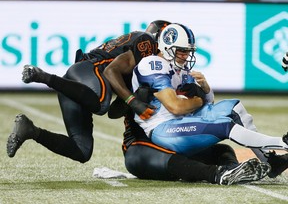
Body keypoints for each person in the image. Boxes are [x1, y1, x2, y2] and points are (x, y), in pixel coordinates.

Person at [127, 23, 288, 178]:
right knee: (224, 124)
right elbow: (175, 107)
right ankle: (281, 142)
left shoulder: (179, 68)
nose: (186, 56)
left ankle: (270, 161)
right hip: (163, 129)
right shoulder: (153, 64)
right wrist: (196, 102)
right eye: (182, 51)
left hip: (182, 121)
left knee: (234, 107)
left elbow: (208, 102)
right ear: (167, 47)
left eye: (188, 51)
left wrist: (205, 87)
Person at [6, 20, 164, 163]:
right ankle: (43, 77)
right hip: (88, 71)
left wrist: (133, 99)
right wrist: (133, 101)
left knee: (82, 150)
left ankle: (31, 131)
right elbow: (110, 72)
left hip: (76, 86)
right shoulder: (147, 43)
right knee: (101, 103)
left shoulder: (140, 63)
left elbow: (113, 112)